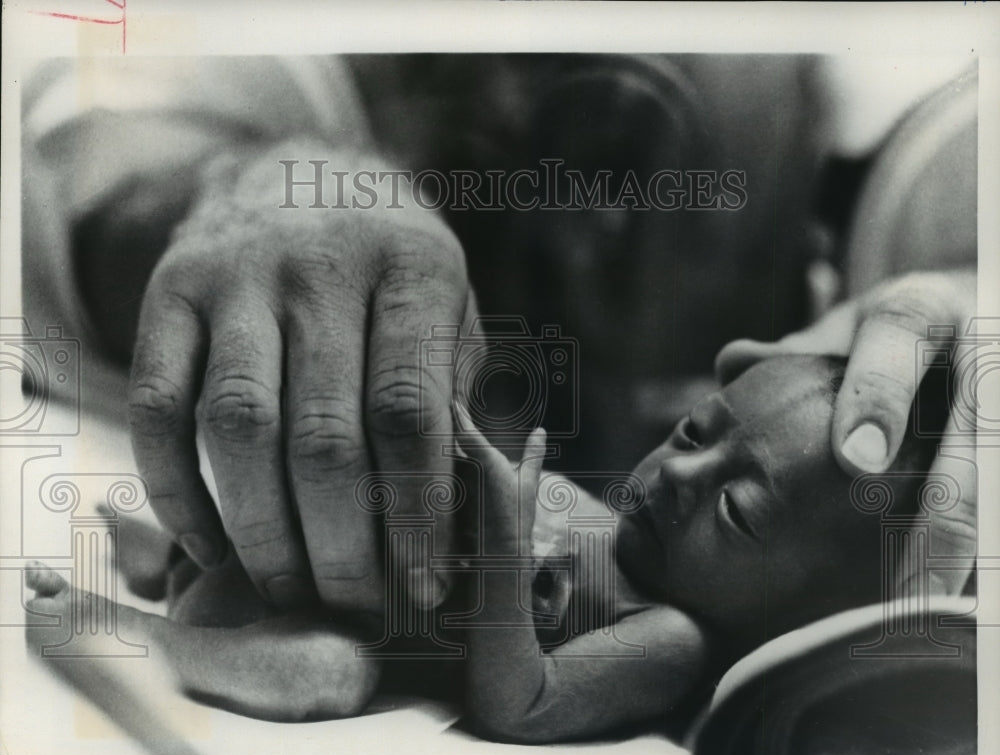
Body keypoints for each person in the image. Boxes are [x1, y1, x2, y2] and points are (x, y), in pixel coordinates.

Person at [22, 54, 978, 625]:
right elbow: (79, 156)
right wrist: (241, 188)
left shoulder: (925, 144)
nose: (590, 231)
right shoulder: (292, 62)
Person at [23, 354, 948, 734]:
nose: (677, 477)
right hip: (322, 560)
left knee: (329, 672)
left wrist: (504, 544)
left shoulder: (672, 637)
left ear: (796, 618)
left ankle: (139, 627)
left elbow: (523, 702)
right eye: (696, 434)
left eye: (738, 512)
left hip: (323, 625)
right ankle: (171, 552)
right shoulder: (626, 529)